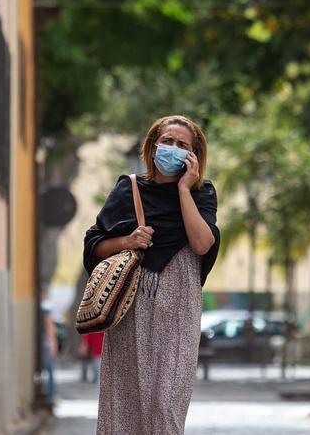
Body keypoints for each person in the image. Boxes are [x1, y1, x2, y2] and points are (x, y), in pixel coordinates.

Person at [84, 115, 220, 435]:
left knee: (166, 404)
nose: (173, 149)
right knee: (125, 403)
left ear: (194, 157)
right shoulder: (128, 189)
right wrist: (127, 241)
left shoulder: (203, 194)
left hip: (179, 308)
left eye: (183, 145)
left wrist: (185, 190)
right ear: (152, 146)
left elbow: (202, 243)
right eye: (167, 142)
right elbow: (95, 245)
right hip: (131, 306)